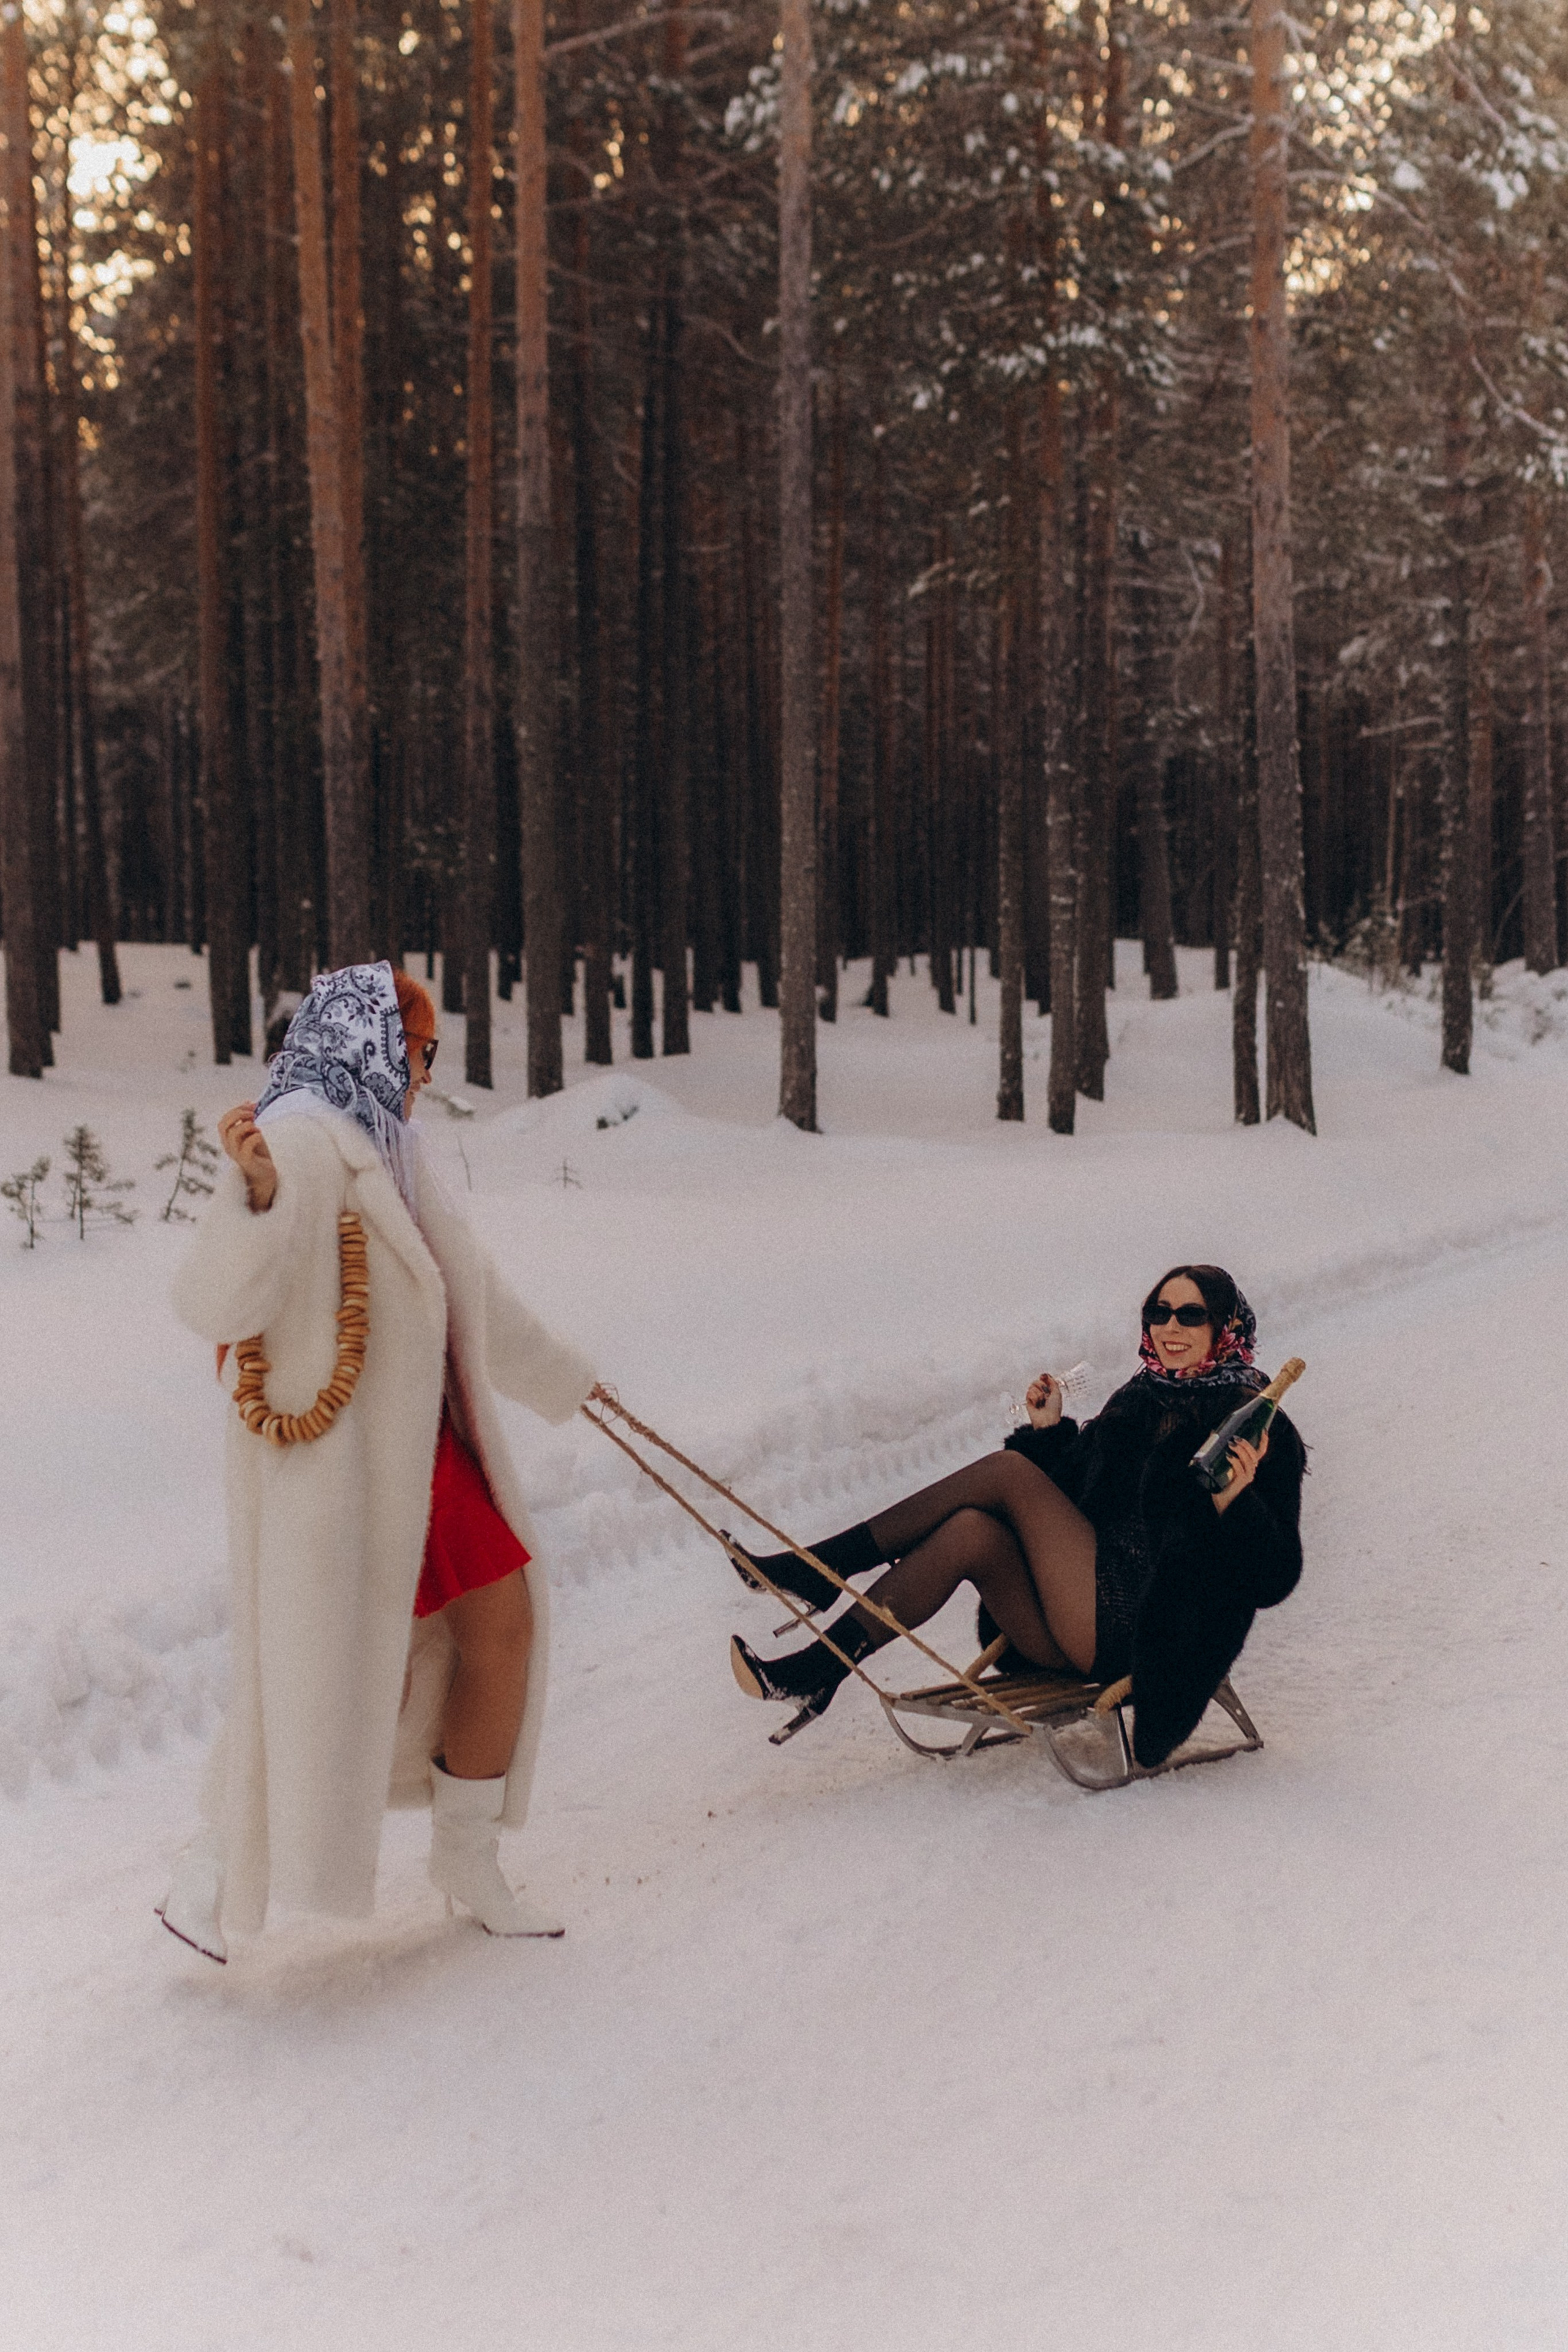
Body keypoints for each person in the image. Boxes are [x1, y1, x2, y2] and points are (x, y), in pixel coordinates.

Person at [159, 962, 603, 1962]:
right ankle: (217, 1873)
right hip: (344, 1475)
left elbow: (471, 1295)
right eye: (421, 1051)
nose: (426, 1073)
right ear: (370, 1040)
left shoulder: (381, 1147)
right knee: (339, 1665)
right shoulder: (305, 1142)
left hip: (411, 1462)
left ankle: (456, 1857)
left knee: (426, 1647)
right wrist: (258, 1196)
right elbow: (215, 1304)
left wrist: (568, 1383)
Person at [728, 1265, 1305, 1770]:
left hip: (1148, 1634)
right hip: (1072, 1611)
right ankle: (819, 1670)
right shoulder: (1138, 1398)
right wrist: (1052, 1433)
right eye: (1159, 1312)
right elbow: (1071, 1499)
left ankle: (815, 1571)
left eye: (1190, 1315)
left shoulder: (1256, 1425)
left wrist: (1235, 1507)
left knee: (1006, 1474)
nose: (1170, 1327)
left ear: (1225, 1329)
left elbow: (1274, 1577)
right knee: (971, 1533)